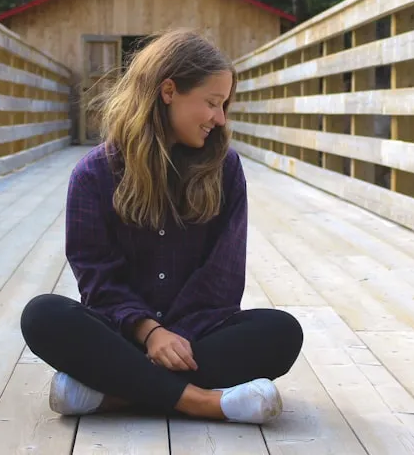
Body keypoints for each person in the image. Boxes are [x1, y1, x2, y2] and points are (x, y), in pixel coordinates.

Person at [20, 29, 303, 424]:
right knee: (42, 316)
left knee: (282, 333)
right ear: (168, 91)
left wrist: (175, 338)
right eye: (212, 103)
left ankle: (112, 395)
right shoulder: (94, 174)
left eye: (224, 106)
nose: (219, 119)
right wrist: (151, 333)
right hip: (124, 334)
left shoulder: (225, 170)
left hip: (197, 339)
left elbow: (222, 277)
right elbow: (97, 278)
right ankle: (205, 402)